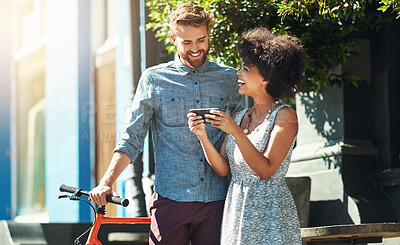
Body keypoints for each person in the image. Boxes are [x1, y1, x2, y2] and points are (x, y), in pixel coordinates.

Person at [89, 3, 242, 245]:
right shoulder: (153, 79)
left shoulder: (230, 80)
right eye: (186, 43)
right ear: (173, 39)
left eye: (201, 40)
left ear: (209, 35)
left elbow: (241, 137)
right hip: (170, 200)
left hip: (217, 201)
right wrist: (106, 182)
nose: (195, 49)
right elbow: (132, 138)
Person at [188, 27, 305, 244]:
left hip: (270, 214)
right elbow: (223, 169)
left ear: (266, 78)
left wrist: (235, 131)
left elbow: (266, 170)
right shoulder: (239, 116)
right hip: (237, 210)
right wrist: (202, 135)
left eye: (246, 69)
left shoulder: (285, 116)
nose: (238, 73)